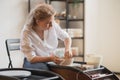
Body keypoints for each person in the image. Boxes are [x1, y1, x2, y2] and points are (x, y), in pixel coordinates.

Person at [20, 3, 72, 70]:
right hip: (34, 62)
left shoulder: (52, 25)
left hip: (49, 60)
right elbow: (31, 58)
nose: (51, 25)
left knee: (67, 70)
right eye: (48, 23)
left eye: (52, 21)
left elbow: (66, 37)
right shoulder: (27, 32)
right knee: (47, 71)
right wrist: (50, 58)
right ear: (38, 21)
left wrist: (67, 49)